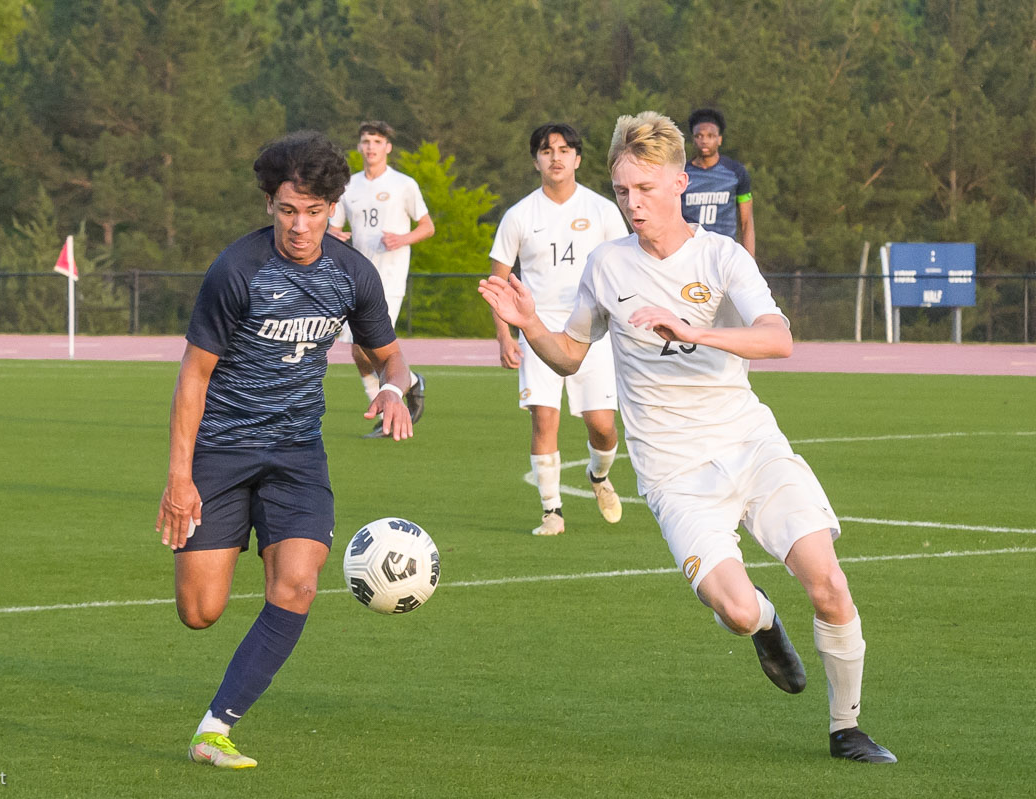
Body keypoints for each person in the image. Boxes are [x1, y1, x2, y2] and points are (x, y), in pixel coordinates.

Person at [478, 111, 896, 764]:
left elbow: (778, 337)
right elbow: (568, 353)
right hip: (674, 474)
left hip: (751, 446)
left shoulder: (722, 257)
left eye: (644, 189)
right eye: (621, 191)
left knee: (829, 583)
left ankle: (847, 729)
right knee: (734, 609)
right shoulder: (606, 265)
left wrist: (693, 329)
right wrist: (530, 321)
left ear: (680, 182)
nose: (632, 203)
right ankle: (763, 623)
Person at [156, 130, 414, 771]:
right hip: (220, 452)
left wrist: (395, 391)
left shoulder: (353, 274)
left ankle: (214, 728)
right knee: (200, 612)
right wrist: (179, 478)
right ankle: (224, 541)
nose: (300, 226)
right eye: (287, 210)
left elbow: (390, 356)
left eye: (315, 212)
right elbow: (194, 374)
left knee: (297, 585)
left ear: (334, 208)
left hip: (297, 453)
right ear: (270, 203)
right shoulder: (236, 271)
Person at [488, 122, 630, 536]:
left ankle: (599, 476)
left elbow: (623, 268)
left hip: (594, 332)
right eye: (547, 150)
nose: (556, 157)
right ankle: (552, 511)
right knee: (543, 419)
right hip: (537, 330)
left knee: (602, 426)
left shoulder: (603, 210)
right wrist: (503, 336)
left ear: (578, 159)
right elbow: (498, 281)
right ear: (536, 160)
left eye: (564, 150)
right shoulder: (519, 215)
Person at [328, 121, 435, 437]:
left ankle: (391, 406)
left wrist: (403, 239)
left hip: (389, 277)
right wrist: (335, 234)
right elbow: (335, 227)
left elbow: (427, 226)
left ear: (388, 147)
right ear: (360, 146)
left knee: (367, 344)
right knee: (356, 350)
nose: (371, 147)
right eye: (365, 141)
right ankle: (405, 385)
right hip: (356, 276)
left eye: (377, 141)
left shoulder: (403, 184)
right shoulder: (349, 186)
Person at [681, 108, 755, 256]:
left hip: (725, 254)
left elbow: (746, 222)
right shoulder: (681, 174)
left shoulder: (736, 172)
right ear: (693, 139)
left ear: (719, 139)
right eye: (699, 136)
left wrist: (749, 260)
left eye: (710, 135)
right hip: (690, 254)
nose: (704, 140)